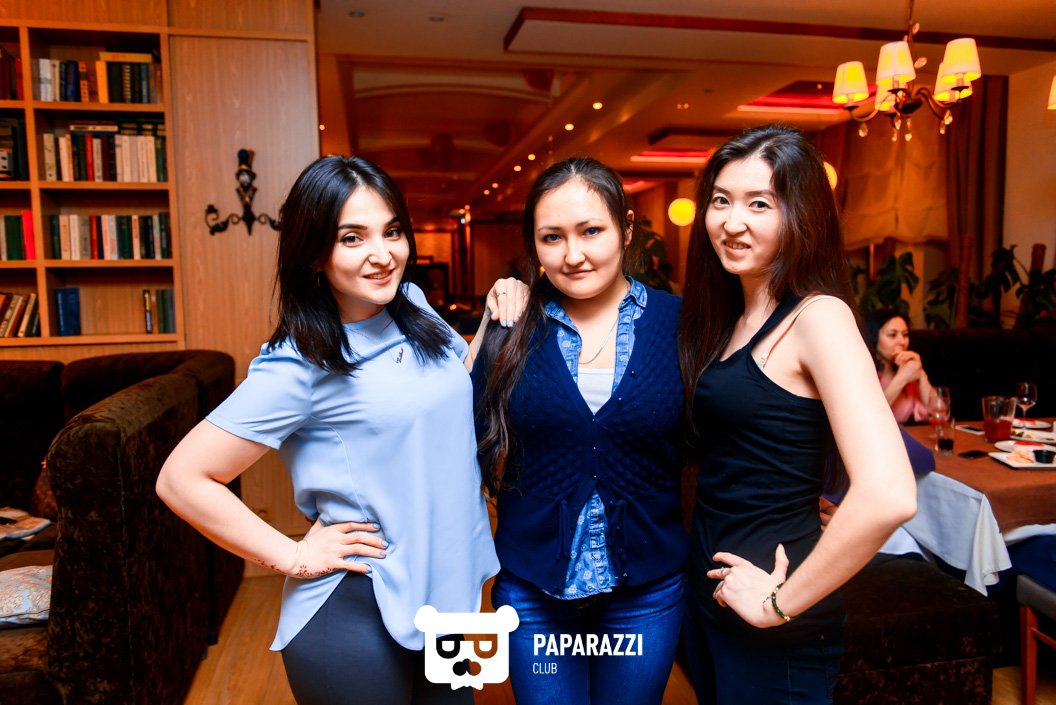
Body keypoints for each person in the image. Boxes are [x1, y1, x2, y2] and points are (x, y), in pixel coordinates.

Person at [156, 155, 527, 705]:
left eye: (392, 231)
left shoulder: (411, 307)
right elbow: (181, 478)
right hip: (357, 611)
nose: (383, 255)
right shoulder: (300, 363)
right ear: (313, 254)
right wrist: (292, 557)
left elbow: (452, 394)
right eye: (353, 238)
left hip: (449, 598)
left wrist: (499, 314)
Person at [678, 125, 917, 705]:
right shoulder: (730, 318)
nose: (732, 222)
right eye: (721, 200)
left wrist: (776, 605)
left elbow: (889, 494)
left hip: (774, 617)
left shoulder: (818, 316)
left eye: (759, 204)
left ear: (801, 215)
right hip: (711, 599)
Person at [472, 157, 686, 705]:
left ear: (627, 229)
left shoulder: (680, 324)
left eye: (591, 230)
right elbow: (459, 438)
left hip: (646, 592)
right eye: (552, 237)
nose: (572, 254)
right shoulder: (511, 326)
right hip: (533, 589)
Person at [869, 309, 935, 423]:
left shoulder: (908, 370)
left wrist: (920, 373)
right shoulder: (865, 374)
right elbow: (870, 416)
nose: (902, 341)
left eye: (905, 335)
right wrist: (902, 378)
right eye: (892, 335)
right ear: (874, 337)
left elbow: (939, 412)